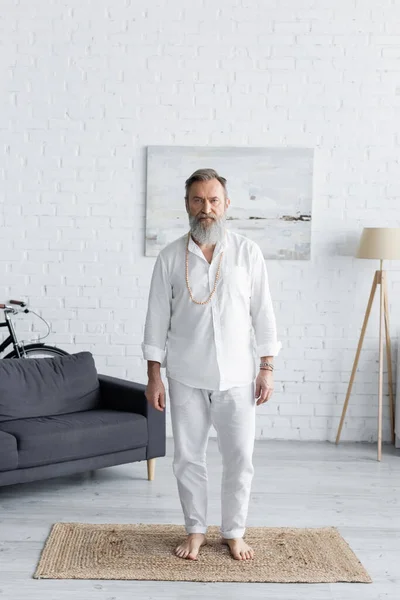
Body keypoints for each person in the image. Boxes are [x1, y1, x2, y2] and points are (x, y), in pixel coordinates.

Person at [142, 168, 281, 561]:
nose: (207, 208)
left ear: (226, 204)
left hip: (238, 376)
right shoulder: (170, 257)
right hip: (185, 376)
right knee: (188, 457)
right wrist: (154, 376)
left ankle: (234, 531)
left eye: (213, 200)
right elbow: (155, 321)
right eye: (198, 201)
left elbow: (263, 313)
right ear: (187, 205)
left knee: (240, 458)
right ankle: (196, 530)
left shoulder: (247, 253)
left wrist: (266, 366)